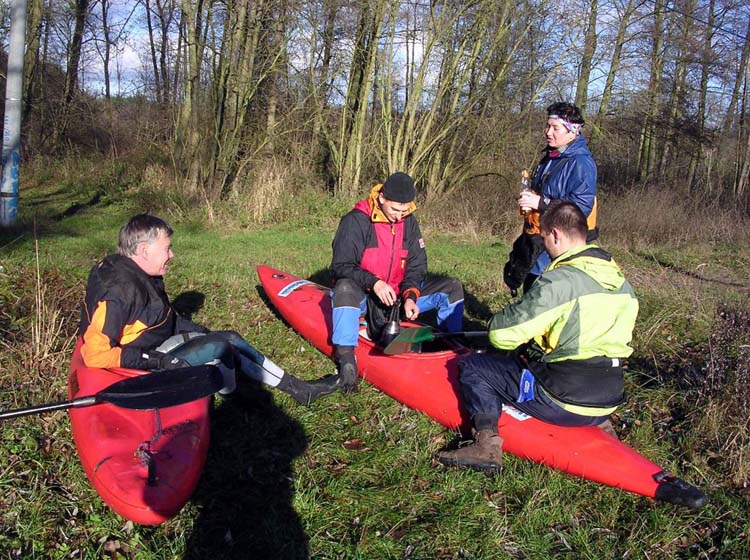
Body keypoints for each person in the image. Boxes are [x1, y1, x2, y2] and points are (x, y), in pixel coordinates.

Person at [437, 201, 638, 473]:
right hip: (610, 396)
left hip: (564, 397)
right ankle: (603, 431)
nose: (545, 246)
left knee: (474, 367)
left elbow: (502, 335)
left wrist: (496, 323)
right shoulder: (621, 283)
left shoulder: (561, 281)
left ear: (555, 234)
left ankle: (486, 446)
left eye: (544, 239)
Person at [79, 214, 339, 404]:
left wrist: (201, 331)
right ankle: (238, 399)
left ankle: (294, 388)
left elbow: (161, 318)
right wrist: (157, 360)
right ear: (144, 250)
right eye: (167, 249)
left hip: (153, 346)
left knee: (228, 338)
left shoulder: (141, 272)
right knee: (220, 346)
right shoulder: (118, 292)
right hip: (137, 366)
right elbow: (95, 355)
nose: (172, 255)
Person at [329, 172, 465, 391]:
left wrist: (410, 296)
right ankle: (346, 359)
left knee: (452, 288)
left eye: (404, 210)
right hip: (363, 295)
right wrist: (375, 283)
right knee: (344, 287)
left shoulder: (408, 222)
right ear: (382, 197)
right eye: (395, 210)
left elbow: (417, 266)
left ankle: (452, 346)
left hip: (397, 297)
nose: (399, 216)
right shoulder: (355, 221)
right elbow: (340, 266)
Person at [517, 102, 598, 293]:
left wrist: (540, 203)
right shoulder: (551, 156)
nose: (548, 132)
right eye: (547, 126)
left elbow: (581, 207)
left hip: (563, 243)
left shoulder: (581, 163)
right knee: (529, 286)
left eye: (555, 128)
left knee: (543, 293)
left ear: (572, 132)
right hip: (541, 236)